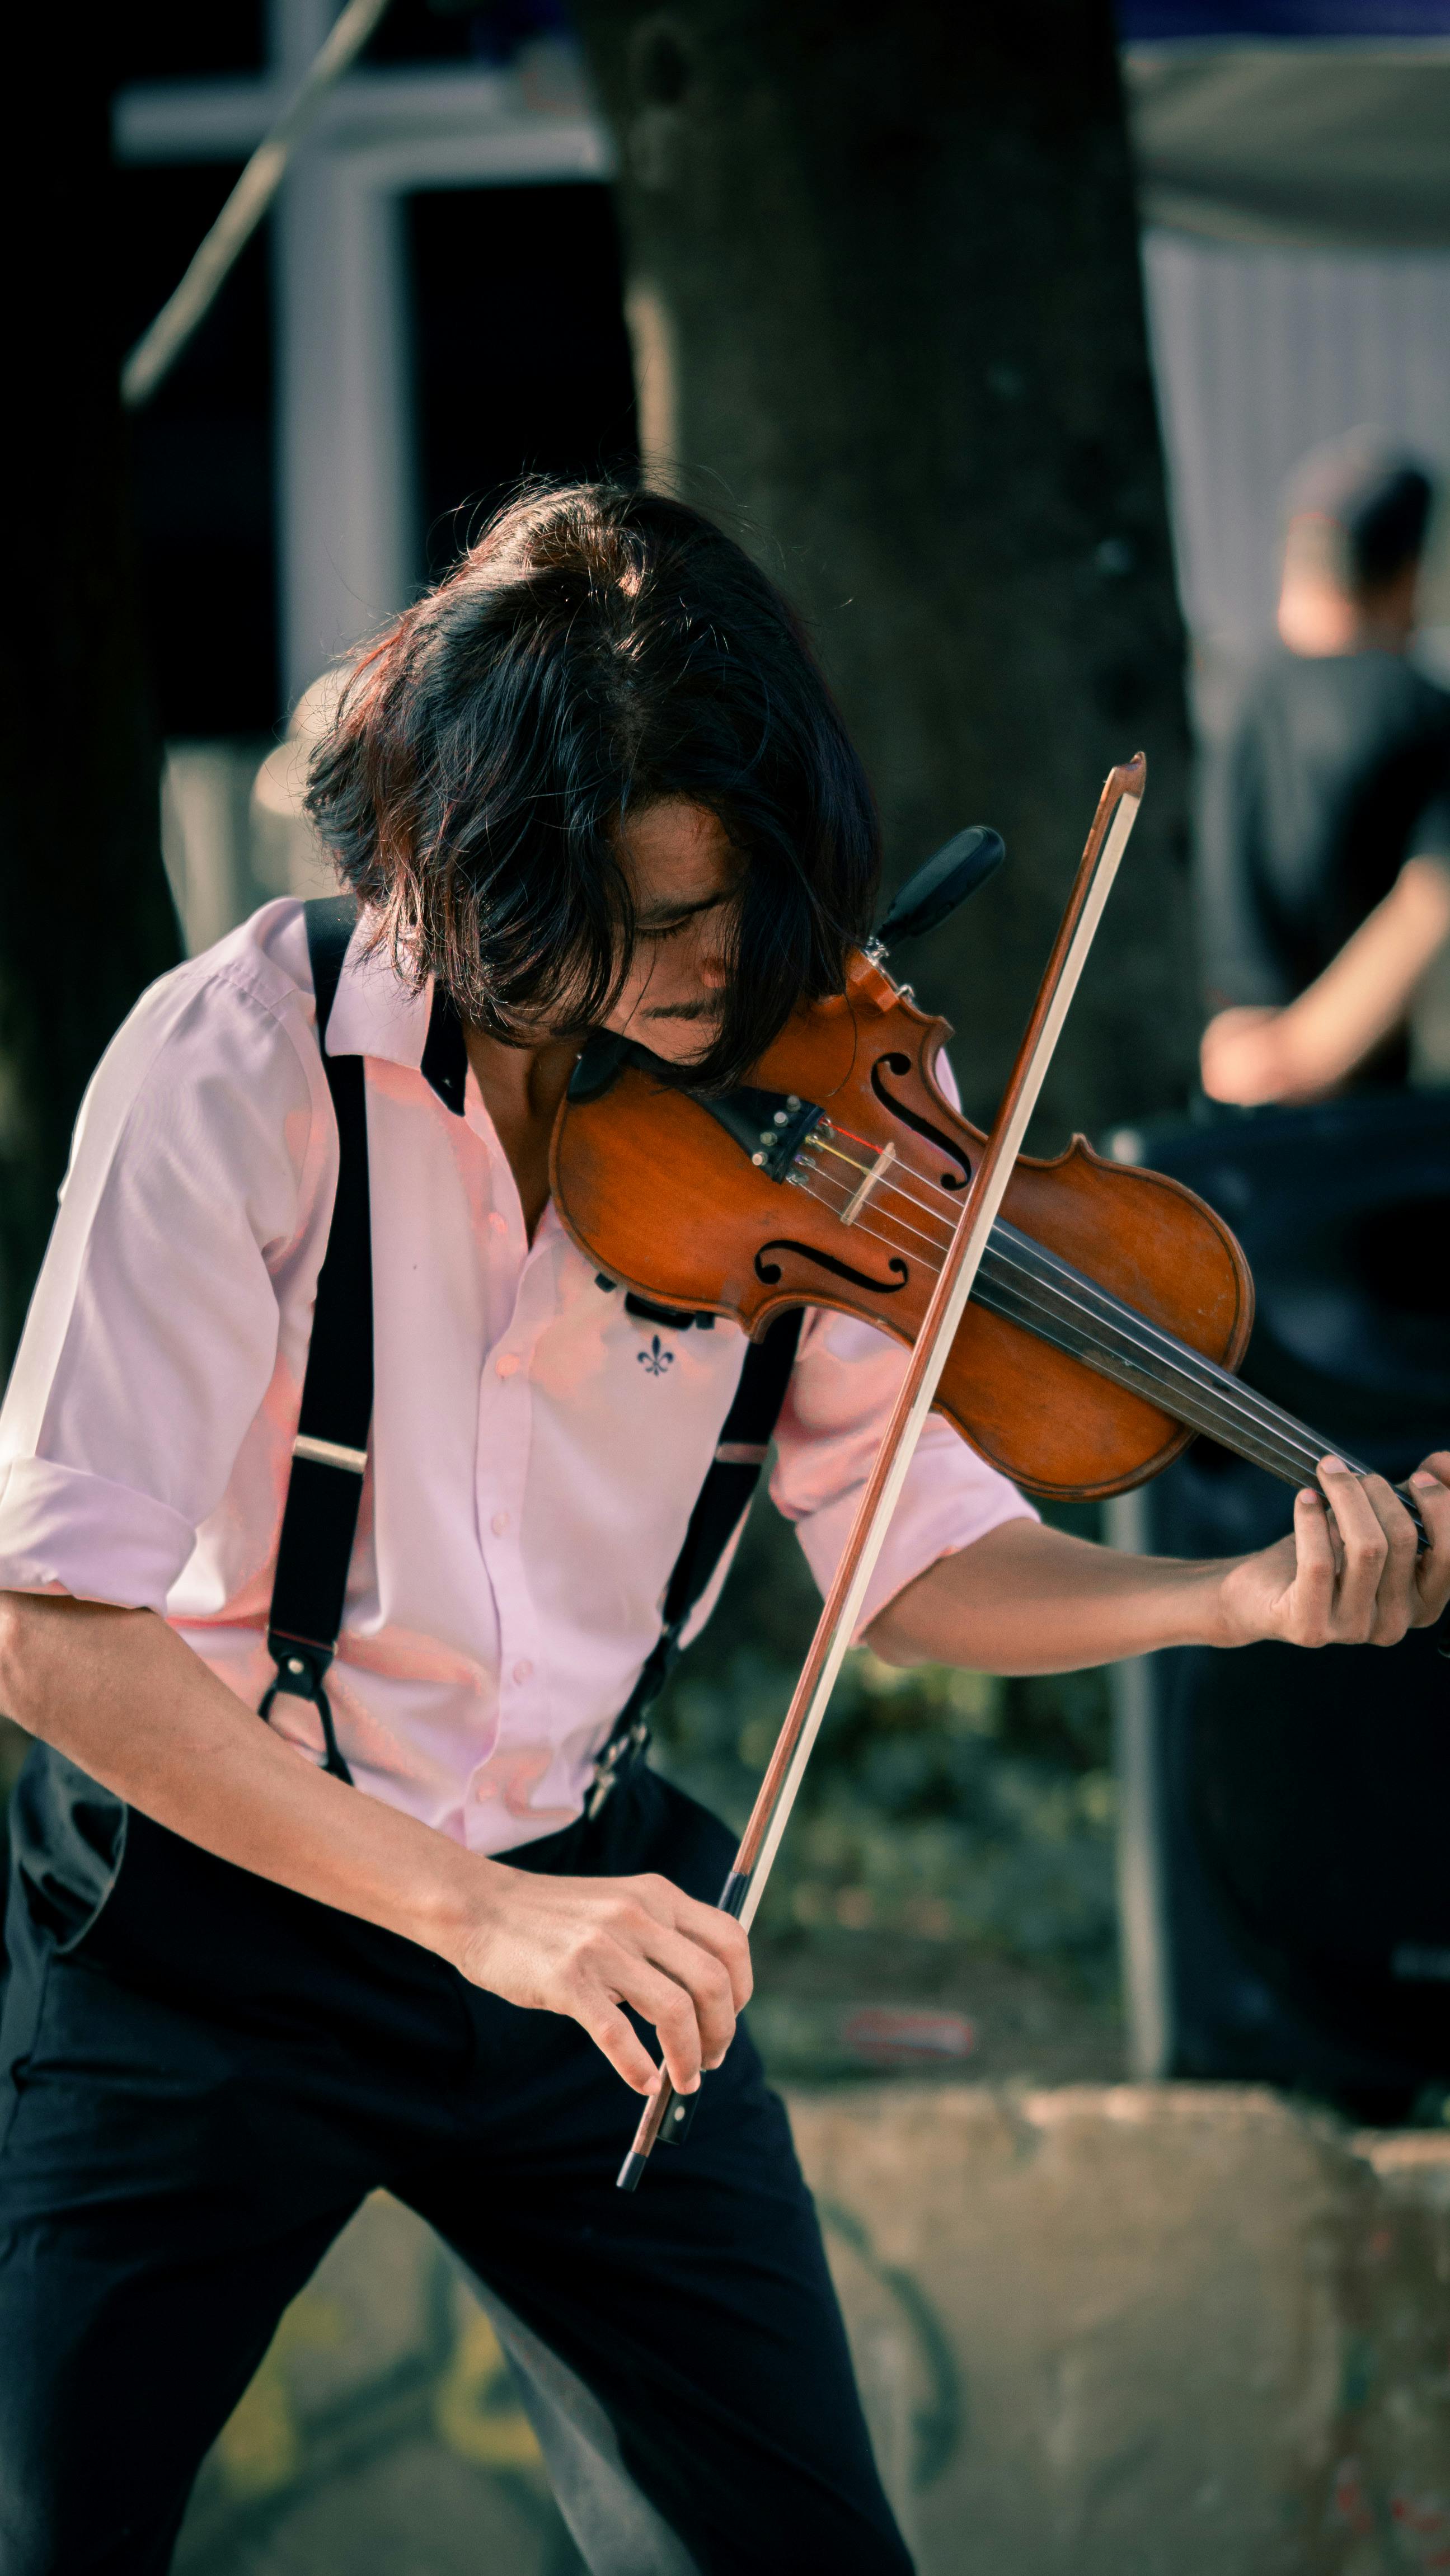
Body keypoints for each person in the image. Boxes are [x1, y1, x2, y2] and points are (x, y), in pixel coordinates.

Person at [1, 485, 1446, 2576]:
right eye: (656, 931)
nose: (726, 974)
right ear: (478, 877)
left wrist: (1228, 1595)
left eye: (746, 912)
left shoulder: (809, 1103)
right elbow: (52, 1624)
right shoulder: (237, 1070)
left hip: (595, 1933)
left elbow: (911, 1551)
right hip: (214, 1924)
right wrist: (481, 1920)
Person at [1198, 434, 1450, 1107]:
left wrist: (1249, 1052)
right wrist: (1306, 1053)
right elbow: (1432, 899)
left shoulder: (1239, 703)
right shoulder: (1423, 712)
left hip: (1232, 1082)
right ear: (1407, 575)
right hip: (1371, 1121)